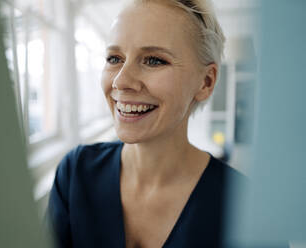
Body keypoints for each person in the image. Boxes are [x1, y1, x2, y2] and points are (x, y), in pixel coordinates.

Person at [48, 0, 245, 247]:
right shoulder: (76, 174)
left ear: (205, 82)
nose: (121, 81)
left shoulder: (245, 205)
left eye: (154, 60)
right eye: (114, 58)